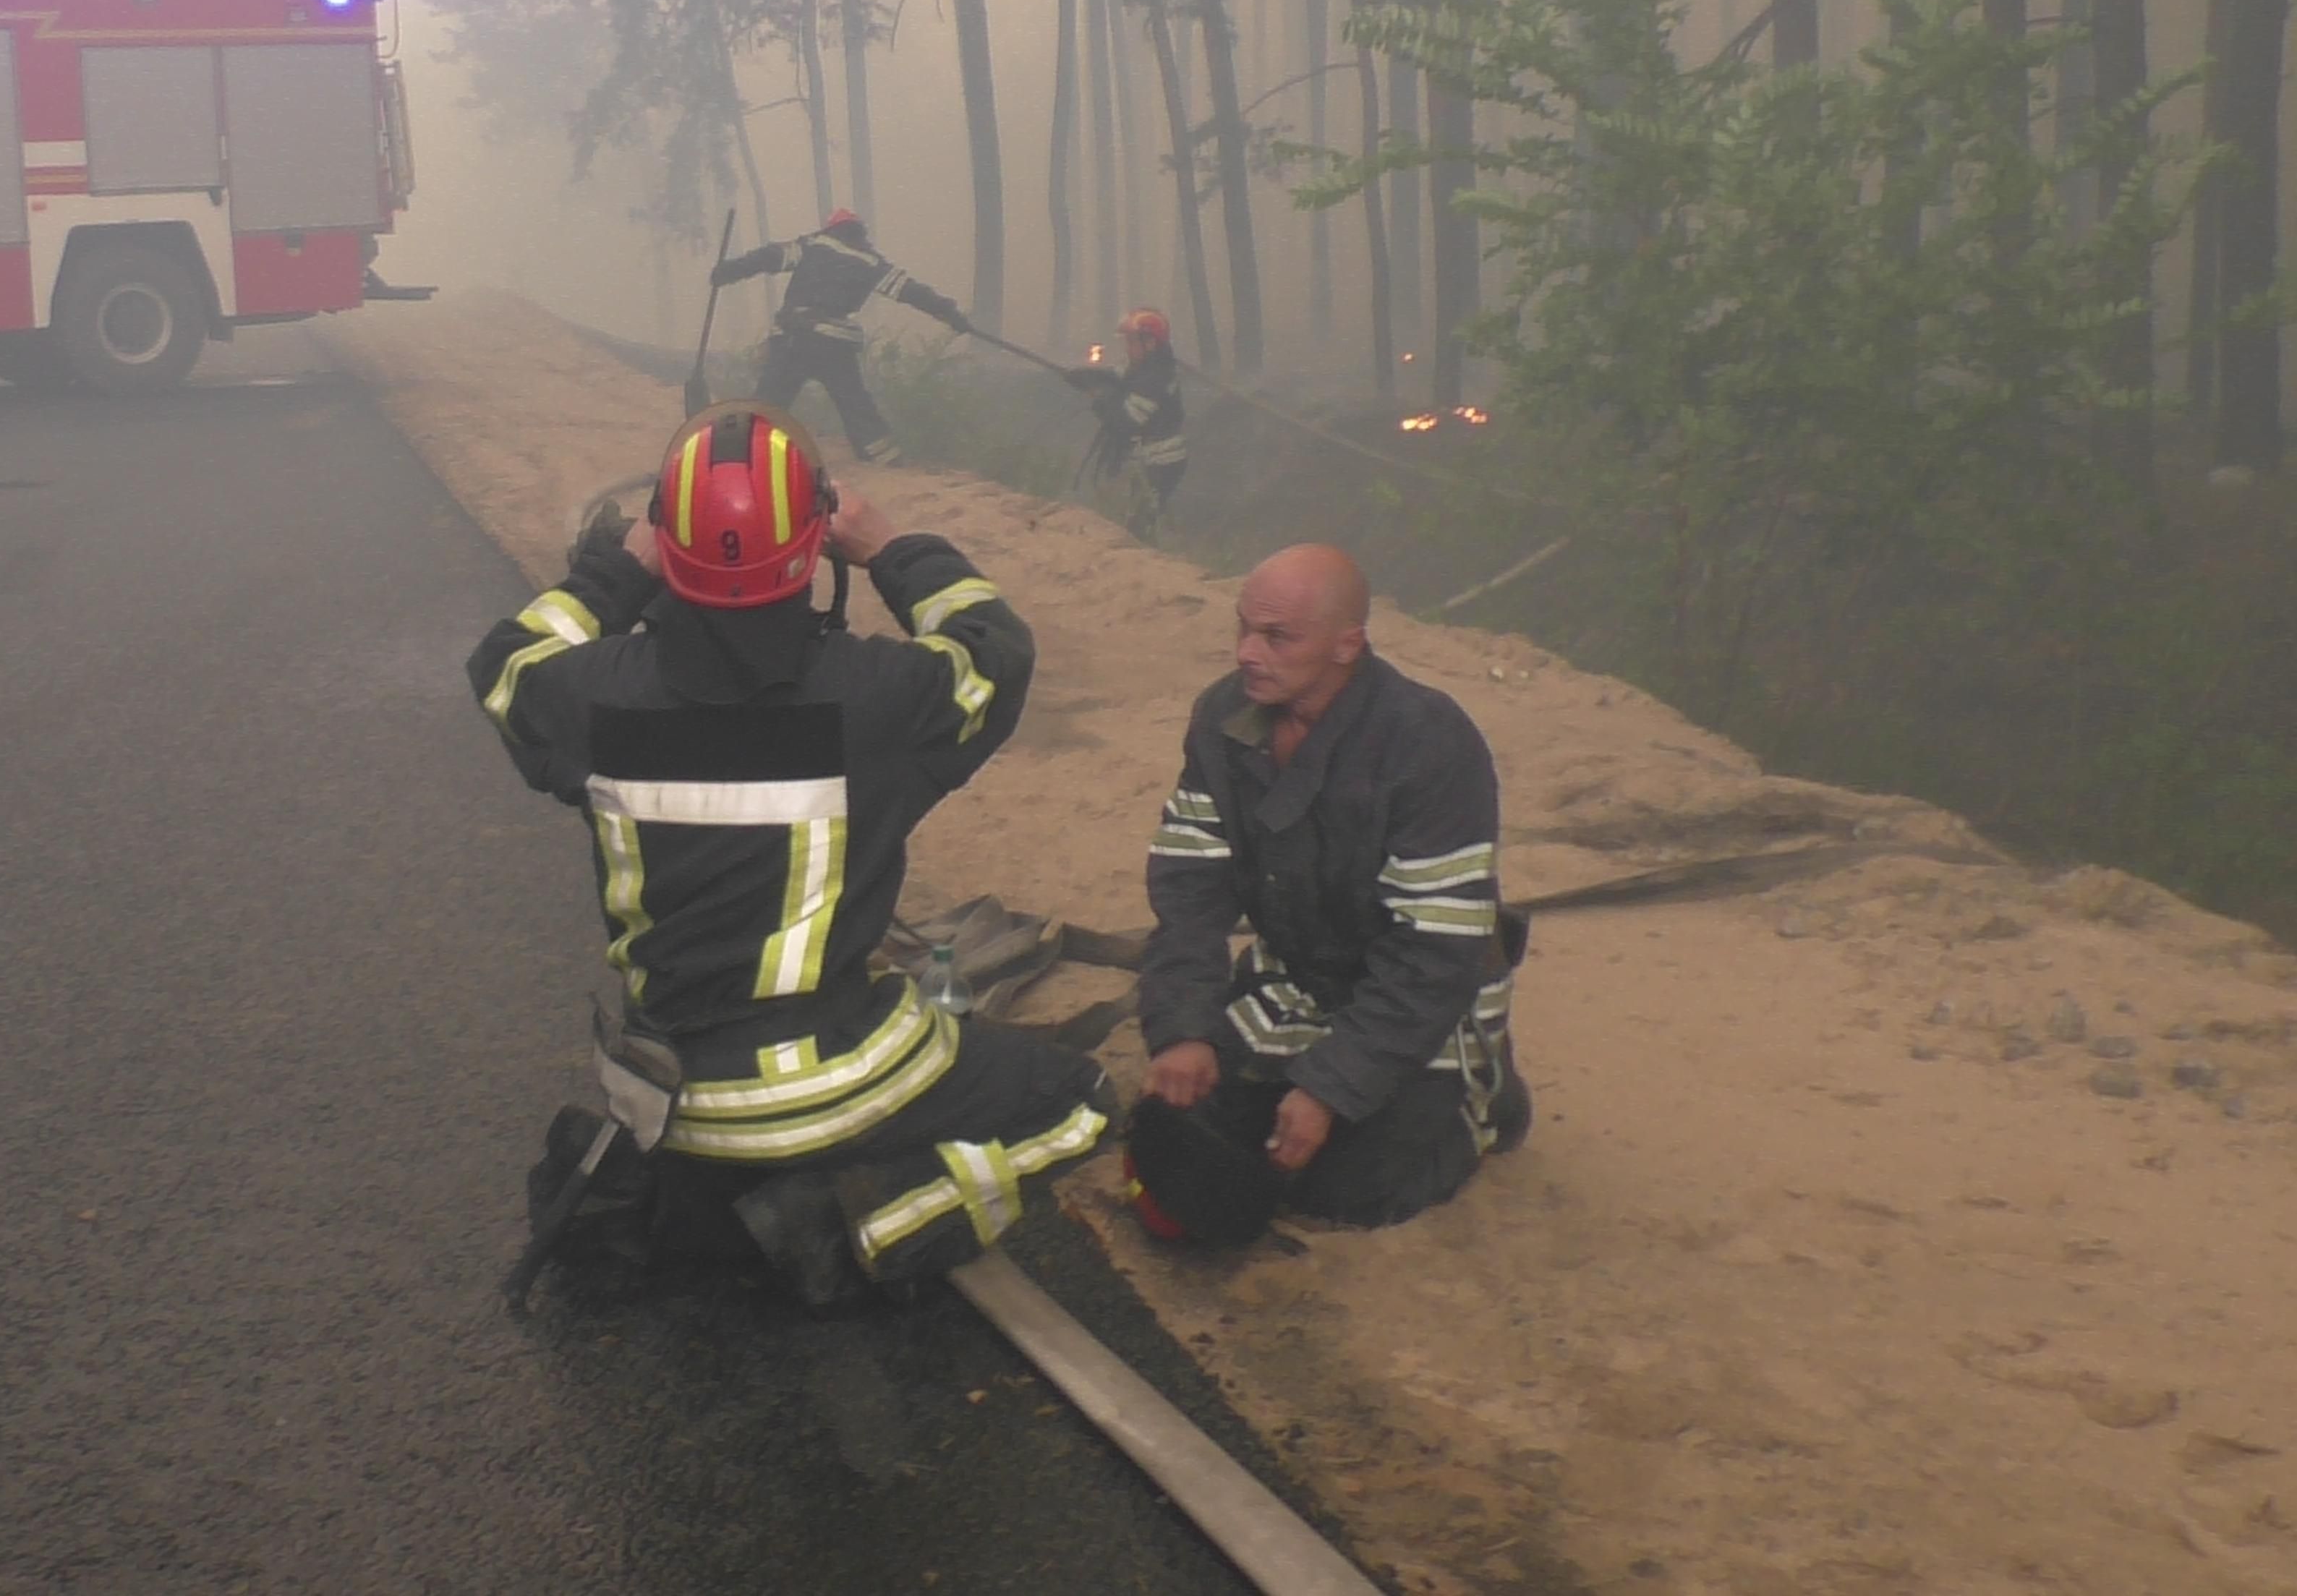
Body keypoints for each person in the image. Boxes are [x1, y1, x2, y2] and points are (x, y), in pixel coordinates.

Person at [468, 404, 1113, 1302]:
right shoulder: (879, 700)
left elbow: (506, 663)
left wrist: (616, 572)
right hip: (826, 1079)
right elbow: (993, 650)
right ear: (814, 546)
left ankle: (713, 1215)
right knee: (1080, 1100)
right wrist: (891, 548)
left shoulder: (589, 699)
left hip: (670, 1097)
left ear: (665, 542)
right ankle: (853, 1224)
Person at [1123, 544, 1530, 1250]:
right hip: (1295, 979)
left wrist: (1329, 1088)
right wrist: (1183, 1026)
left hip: (1421, 998)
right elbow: (1189, 887)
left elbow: (1435, 954)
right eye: (1243, 628)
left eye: (1276, 637)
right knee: (1196, 1131)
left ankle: (1486, 1103)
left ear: (1348, 644)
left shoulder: (1428, 745)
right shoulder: (1223, 716)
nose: (1247, 653)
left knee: (1345, 1192)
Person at [712, 210, 968, 466]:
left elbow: (768, 257)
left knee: (770, 402)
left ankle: (742, 454)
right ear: (860, 233)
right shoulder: (871, 262)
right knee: (854, 403)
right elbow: (912, 292)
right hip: (833, 345)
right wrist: (950, 314)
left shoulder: (813, 245)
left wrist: (728, 272)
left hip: (793, 338)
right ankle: (884, 458)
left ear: (831, 228)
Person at [1067, 309, 1190, 531]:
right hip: (1147, 459)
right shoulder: (1141, 368)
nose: (1127, 348)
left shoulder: (1156, 378)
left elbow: (1126, 423)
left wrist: (1100, 398)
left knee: (1141, 520)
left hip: (1162, 463)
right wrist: (1084, 376)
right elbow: (1115, 376)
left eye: (1132, 342)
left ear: (1150, 343)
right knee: (1136, 515)